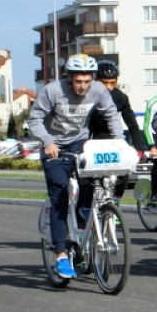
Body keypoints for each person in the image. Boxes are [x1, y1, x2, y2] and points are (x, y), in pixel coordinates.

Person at [27, 54, 123, 279]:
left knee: (92, 180)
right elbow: (35, 119)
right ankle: (60, 253)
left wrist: (119, 141)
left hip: (80, 142)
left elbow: (111, 114)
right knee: (60, 194)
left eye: (87, 81)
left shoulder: (98, 90)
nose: (82, 86)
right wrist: (47, 142)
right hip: (54, 146)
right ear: (69, 78)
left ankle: (81, 224)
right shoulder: (53, 91)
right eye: (78, 81)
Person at [89, 60, 154, 201]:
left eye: (112, 83)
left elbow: (132, 124)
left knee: (125, 170)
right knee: (89, 174)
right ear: (96, 81)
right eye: (104, 83)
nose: (109, 87)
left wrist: (140, 147)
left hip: (113, 138)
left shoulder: (121, 97)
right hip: (93, 138)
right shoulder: (89, 95)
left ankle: (116, 202)